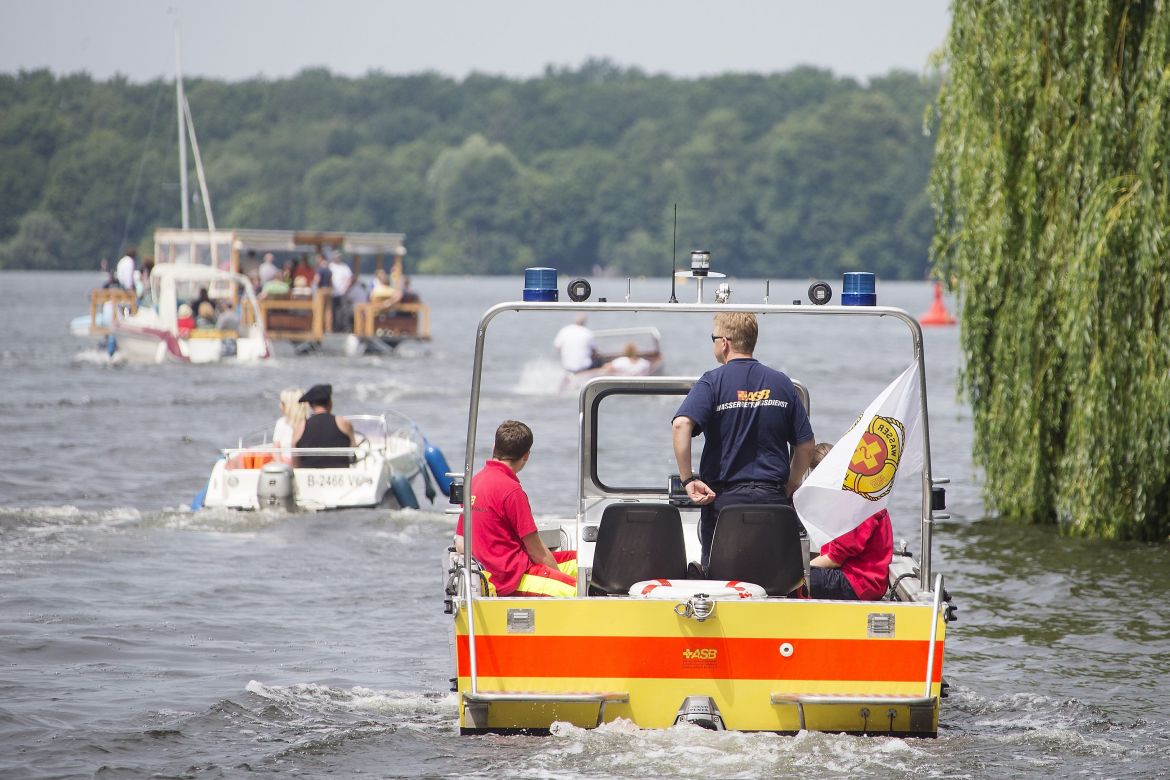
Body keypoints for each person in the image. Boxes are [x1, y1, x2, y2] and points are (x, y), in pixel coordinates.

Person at [672, 311, 815, 568]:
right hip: (773, 501)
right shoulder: (782, 383)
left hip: (725, 502)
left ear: (724, 342)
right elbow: (805, 445)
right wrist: (791, 484)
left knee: (721, 577)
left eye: (713, 337)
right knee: (771, 577)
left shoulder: (712, 381)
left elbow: (681, 424)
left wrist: (688, 480)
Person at [454, 420, 578, 597]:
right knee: (578, 592)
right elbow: (537, 553)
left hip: (490, 575)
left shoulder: (472, 483)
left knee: (581, 560)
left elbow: (460, 543)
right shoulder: (511, 491)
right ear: (526, 455)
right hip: (512, 579)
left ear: (494, 446)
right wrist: (557, 578)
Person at [806, 443, 894, 601]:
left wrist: (799, 572)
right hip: (861, 578)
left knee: (797, 581)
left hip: (860, 583)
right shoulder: (859, 493)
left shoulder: (854, 502)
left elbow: (835, 558)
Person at [292, 384, 355, 468]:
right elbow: (353, 447)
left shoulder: (300, 427)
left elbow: (295, 459)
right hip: (339, 475)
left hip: (308, 476)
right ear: (330, 402)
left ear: (310, 405)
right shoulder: (343, 423)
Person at [272, 387, 310, 461]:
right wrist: (282, 465)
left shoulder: (310, 423)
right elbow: (276, 450)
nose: (279, 405)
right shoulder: (281, 423)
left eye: (282, 403)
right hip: (285, 466)